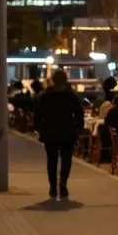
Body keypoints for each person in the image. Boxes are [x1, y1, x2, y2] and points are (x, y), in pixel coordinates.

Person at [33, 70, 84, 199]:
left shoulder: (45, 96)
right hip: (68, 132)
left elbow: (38, 114)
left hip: (50, 132)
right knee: (66, 160)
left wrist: (40, 128)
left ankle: (52, 187)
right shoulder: (71, 95)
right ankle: (63, 184)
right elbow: (79, 114)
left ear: (53, 80)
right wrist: (78, 130)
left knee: (52, 160)